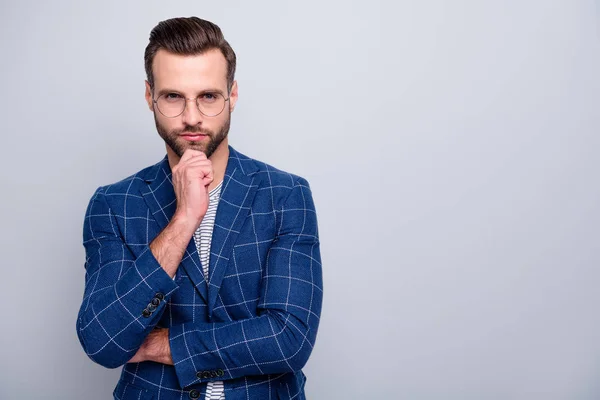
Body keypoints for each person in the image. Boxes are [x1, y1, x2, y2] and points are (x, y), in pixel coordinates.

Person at [76, 16, 322, 400]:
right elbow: (103, 340)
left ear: (233, 95)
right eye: (173, 97)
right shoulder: (113, 205)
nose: (192, 117)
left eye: (208, 96)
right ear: (149, 97)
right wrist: (184, 218)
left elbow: (289, 338)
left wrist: (162, 344)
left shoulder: (285, 195)